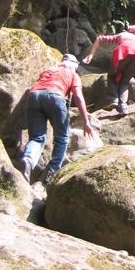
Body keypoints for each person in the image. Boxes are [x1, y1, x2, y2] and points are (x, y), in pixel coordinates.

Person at [19, 54, 93, 185]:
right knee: (62, 138)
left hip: (34, 95)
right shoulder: (73, 75)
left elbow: (42, 86)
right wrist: (86, 121)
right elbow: (78, 97)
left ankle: (28, 160)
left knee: (36, 138)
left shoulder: (48, 70)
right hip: (55, 95)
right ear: (74, 66)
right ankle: (52, 172)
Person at [82, 25, 135, 114]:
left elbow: (100, 39)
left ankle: (114, 99)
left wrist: (91, 55)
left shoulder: (123, 35)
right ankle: (123, 107)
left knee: (112, 76)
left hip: (123, 53)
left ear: (129, 31)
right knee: (125, 81)